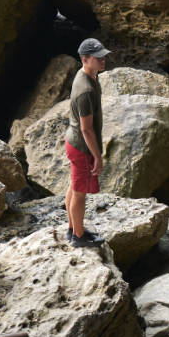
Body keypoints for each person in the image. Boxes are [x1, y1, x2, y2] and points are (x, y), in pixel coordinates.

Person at [64, 37, 108, 247]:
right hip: (81, 147)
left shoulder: (88, 76)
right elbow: (86, 129)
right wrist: (97, 156)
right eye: (97, 57)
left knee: (74, 187)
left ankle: (74, 229)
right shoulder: (86, 90)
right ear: (85, 59)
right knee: (80, 193)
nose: (103, 60)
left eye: (103, 56)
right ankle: (78, 238)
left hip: (74, 143)